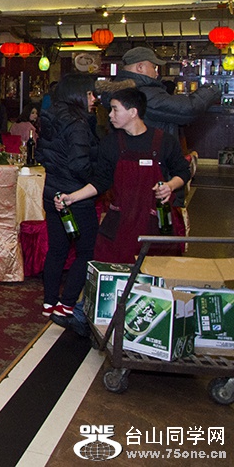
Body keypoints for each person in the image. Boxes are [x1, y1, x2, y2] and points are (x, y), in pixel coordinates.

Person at [56, 88, 191, 265]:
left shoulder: (164, 141)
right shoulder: (110, 143)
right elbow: (101, 181)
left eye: (115, 109)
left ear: (133, 112)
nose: (110, 115)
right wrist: (72, 197)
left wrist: (170, 186)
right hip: (119, 224)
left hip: (153, 223)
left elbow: (183, 172)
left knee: (154, 272)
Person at [34, 74, 99, 324]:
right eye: (90, 94)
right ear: (78, 95)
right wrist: (97, 180)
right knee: (87, 251)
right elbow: (79, 164)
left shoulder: (49, 117)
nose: (94, 99)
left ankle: (49, 302)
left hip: (53, 193)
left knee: (57, 250)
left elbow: (42, 155)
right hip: (75, 197)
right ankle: (67, 303)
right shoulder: (78, 123)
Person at [114, 46, 220, 140]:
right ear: (140, 67)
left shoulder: (120, 89)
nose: (156, 73)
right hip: (150, 152)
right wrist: (211, 89)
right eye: (154, 67)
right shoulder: (142, 93)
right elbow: (187, 108)